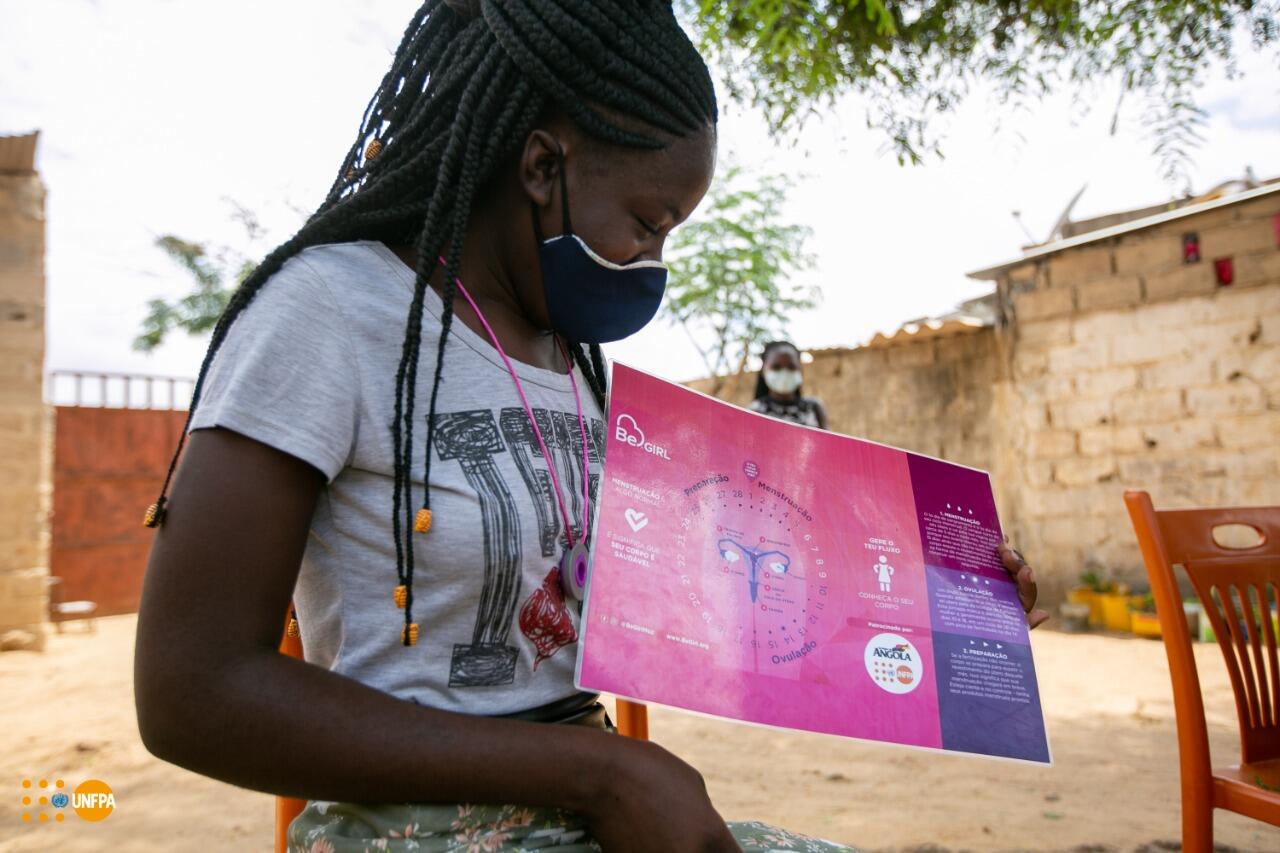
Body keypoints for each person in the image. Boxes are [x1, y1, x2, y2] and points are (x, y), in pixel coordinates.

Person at [134, 3, 1048, 851]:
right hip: (412, 830)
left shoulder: (571, 360)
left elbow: (717, 589)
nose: (655, 260)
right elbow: (190, 691)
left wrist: (942, 601)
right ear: (541, 167)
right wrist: (602, 772)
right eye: (648, 223)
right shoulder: (331, 313)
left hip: (583, 810)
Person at [750, 340, 829, 429]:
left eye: (791, 367)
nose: (784, 372)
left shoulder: (814, 408)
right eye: (776, 367)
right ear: (763, 370)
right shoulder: (754, 411)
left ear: (800, 370)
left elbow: (828, 440)